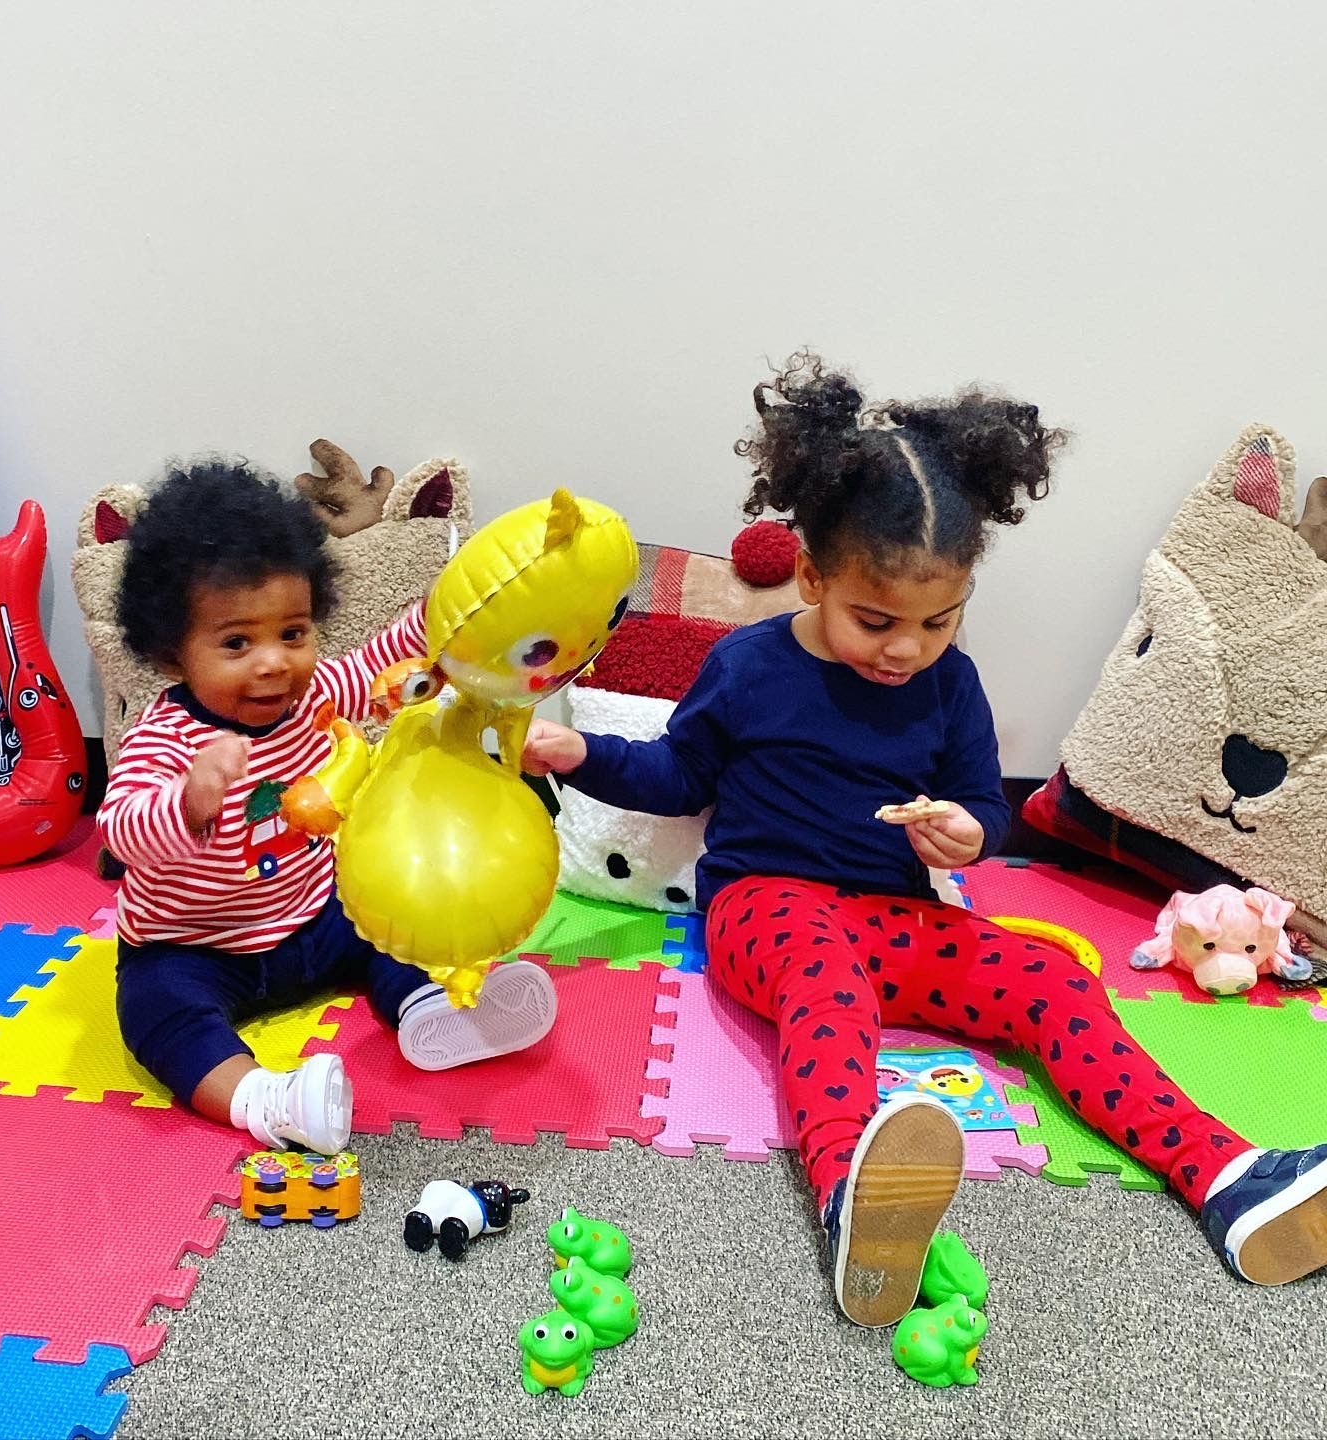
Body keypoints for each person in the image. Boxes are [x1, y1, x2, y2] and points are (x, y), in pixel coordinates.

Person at [523, 352, 1327, 1325]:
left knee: (1051, 978)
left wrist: (967, 833)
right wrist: (580, 755)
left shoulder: (951, 685)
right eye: (875, 621)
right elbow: (677, 778)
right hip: (764, 908)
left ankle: (1225, 1174)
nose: (906, 648)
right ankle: (850, 1199)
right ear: (812, 577)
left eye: (940, 621)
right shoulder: (747, 667)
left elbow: (983, 806)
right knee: (825, 987)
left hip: (898, 916)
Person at [99, 460, 557, 1156]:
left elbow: (385, 657)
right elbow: (121, 831)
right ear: (171, 656)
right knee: (157, 1010)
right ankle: (264, 1100)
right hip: (195, 945)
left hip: (316, 916)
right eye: (236, 643)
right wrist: (188, 798)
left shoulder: (313, 699)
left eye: (293, 633)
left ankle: (438, 1010)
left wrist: (447, 607)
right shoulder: (165, 737)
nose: (273, 663)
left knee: (393, 924)